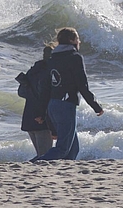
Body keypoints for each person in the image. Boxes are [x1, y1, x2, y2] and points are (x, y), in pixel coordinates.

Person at [34, 27, 104, 161]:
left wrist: (41, 112)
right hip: (65, 106)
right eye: (77, 38)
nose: (80, 41)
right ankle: (34, 164)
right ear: (72, 40)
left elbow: (45, 87)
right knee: (62, 148)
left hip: (53, 105)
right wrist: (96, 106)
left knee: (73, 149)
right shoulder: (75, 57)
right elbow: (82, 85)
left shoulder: (53, 58)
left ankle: (64, 173)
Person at [16, 45, 54, 159]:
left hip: (29, 116)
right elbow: (43, 96)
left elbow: (21, 92)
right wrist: (43, 115)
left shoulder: (33, 70)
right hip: (41, 119)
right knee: (44, 156)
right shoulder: (48, 72)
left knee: (41, 155)